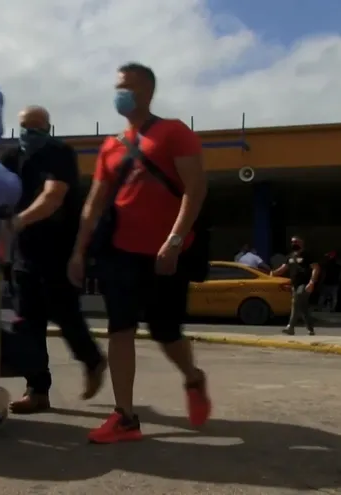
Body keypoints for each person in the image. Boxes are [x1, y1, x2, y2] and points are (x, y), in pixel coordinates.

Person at [67, 62, 211, 444]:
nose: (119, 93)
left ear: (147, 91)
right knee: (120, 328)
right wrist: (78, 252)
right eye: (117, 87)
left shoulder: (173, 133)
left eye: (126, 87)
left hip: (167, 253)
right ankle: (125, 417)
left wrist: (175, 240)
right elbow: (93, 206)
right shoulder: (111, 146)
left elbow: (195, 190)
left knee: (166, 332)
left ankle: (194, 379)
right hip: (121, 254)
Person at [0, 104, 106, 414]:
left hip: (58, 249)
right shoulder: (10, 157)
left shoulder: (60, 153)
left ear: (47, 129)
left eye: (35, 129)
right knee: (27, 323)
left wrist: (18, 222)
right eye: (24, 128)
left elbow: (53, 196)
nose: (28, 136)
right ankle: (37, 390)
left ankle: (92, 360)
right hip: (24, 252)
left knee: (65, 314)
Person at [271, 235, 320, 335]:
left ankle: (290, 327)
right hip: (295, 285)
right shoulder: (290, 256)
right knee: (303, 307)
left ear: (302, 243)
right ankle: (310, 329)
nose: (294, 244)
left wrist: (311, 282)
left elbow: (316, 268)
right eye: (292, 242)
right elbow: (283, 268)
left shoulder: (308, 255)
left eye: (296, 242)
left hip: (305, 284)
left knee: (295, 302)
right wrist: (273, 273)